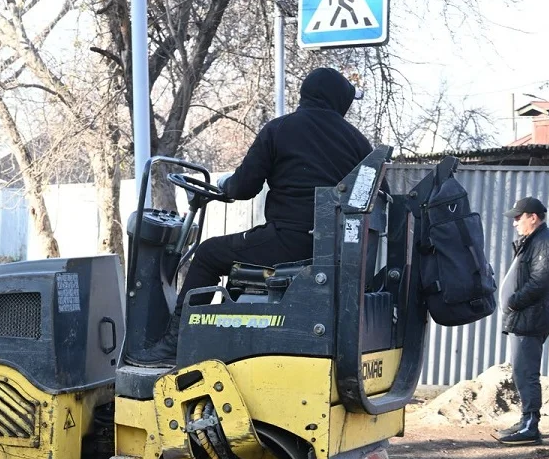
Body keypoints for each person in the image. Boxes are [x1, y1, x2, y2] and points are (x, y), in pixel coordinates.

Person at [129, 67, 373, 366]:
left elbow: (244, 187)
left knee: (208, 254)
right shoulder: (359, 143)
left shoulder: (280, 129)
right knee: (240, 256)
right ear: (339, 100)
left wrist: (224, 185)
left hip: (289, 243)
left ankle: (173, 346)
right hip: (337, 252)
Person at [495, 197, 549, 446]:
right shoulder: (534, 241)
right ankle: (525, 420)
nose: (515, 222)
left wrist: (514, 301)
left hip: (532, 317)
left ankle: (530, 427)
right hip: (525, 316)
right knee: (520, 370)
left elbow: (540, 282)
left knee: (526, 372)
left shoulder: (545, 243)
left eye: (519, 217)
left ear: (533, 217)